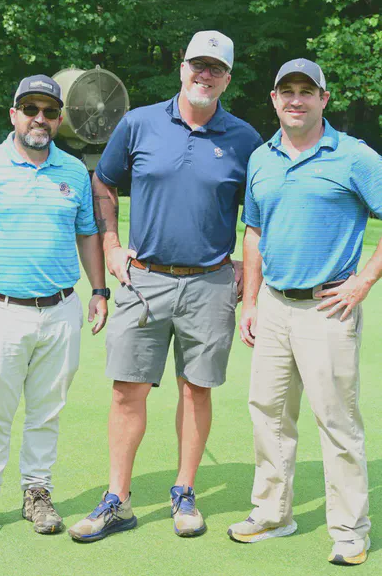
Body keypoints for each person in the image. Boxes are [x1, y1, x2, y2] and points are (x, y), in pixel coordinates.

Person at [68, 31, 263, 543]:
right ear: (182, 68)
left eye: (215, 69)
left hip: (211, 282)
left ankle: (184, 492)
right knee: (127, 391)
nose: (204, 75)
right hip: (143, 279)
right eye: (197, 65)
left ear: (227, 78)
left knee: (196, 390)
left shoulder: (244, 138)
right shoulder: (139, 123)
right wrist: (111, 242)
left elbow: (260, 215)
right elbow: (104, 182)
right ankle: (118, 499)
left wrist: (247, 266)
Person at [228, 58, 382, 565]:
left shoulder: (354, 156)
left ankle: (350, 528)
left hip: (327, 308)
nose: (296, 99)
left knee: (336, 421)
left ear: (323, 99)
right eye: (286, 90)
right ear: (273, 99)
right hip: (273, 304)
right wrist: (250, 302)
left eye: (306, 91)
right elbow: (253, 232)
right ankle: (273, 513)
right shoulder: (261, 158)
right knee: (268, 413)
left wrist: (361, 282)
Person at [0, 74, 109, 541]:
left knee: (47, 409)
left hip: (61, 309)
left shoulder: (74, 172)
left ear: (60, 119)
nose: (41, 118)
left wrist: (99, 291)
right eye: (31, 109)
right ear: (14, 113)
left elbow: (87, 235)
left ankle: (37, 491)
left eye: (50, 111)